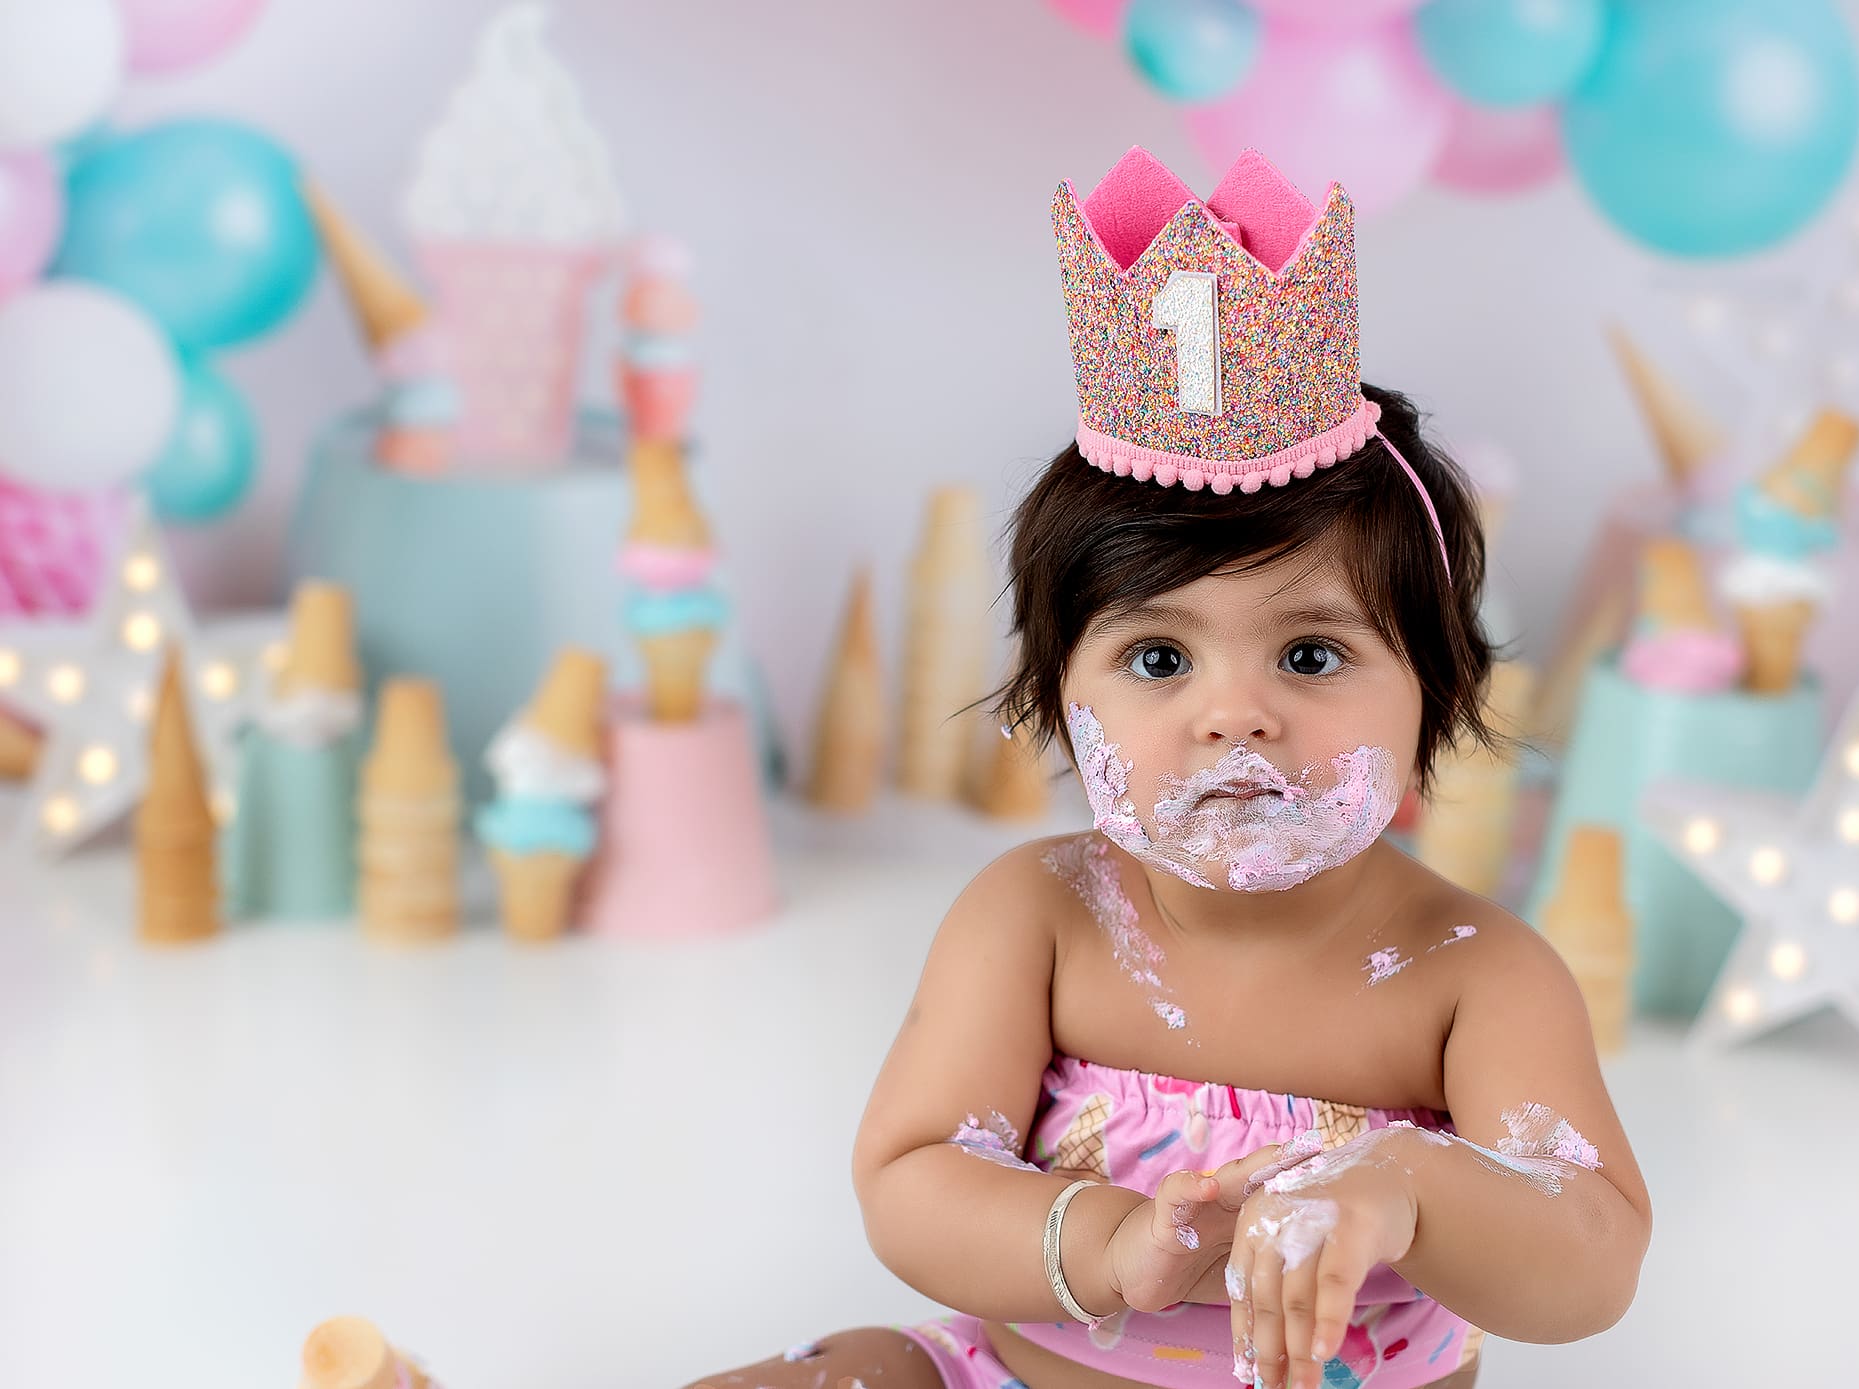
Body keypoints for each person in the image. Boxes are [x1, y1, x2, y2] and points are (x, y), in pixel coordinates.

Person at [679, 146, 1649, 1389]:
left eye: (1308, 653)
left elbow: (1592, 1261)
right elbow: (910, 1181)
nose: (1231, 714)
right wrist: (1115, 1239)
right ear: (1056, 700)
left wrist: (1407, 1187)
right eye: (1154, 661)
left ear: (1434, 697)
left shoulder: (1474, 981)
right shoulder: (1035, 919)